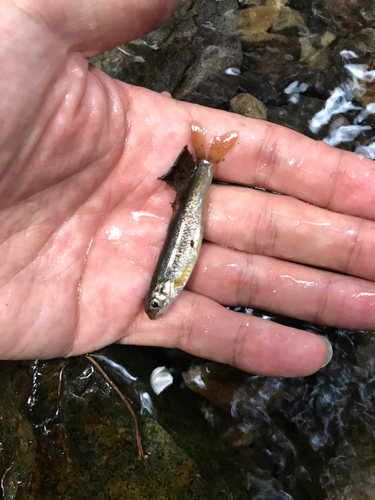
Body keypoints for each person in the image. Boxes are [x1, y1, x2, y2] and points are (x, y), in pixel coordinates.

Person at [0, 0, 374, 377]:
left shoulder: (166, 284)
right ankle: (207, 160)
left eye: (159, 304)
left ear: (163, 294)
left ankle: (207, 161)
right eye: (159, 305)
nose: (162, 303)